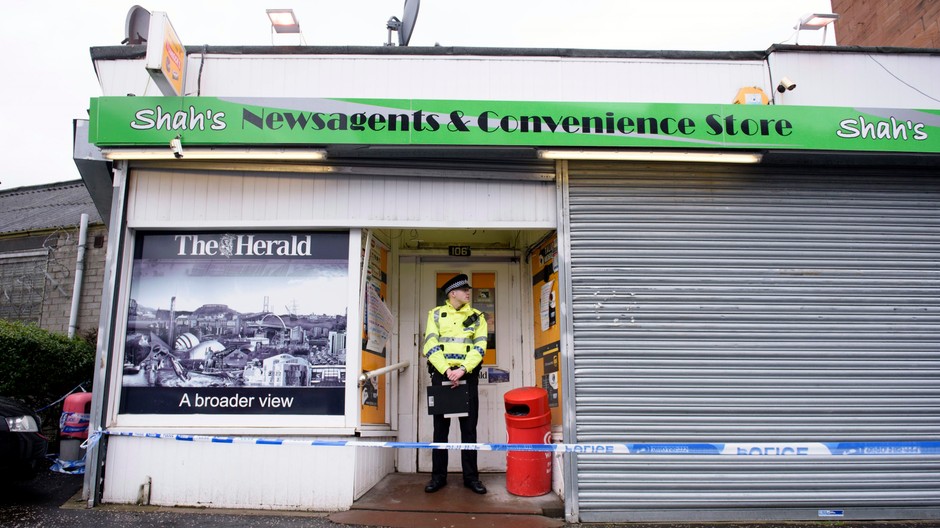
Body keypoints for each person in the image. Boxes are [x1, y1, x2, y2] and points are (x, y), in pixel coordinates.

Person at [422, 273, 488, 494]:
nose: (468, 292)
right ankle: (438, 477)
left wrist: (462, 370)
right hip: (443, 375)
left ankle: (471, 478)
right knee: (441, 429)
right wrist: (447, 370)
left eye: (468, 289)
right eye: (464, 290)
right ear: (453, 294)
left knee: (469, 429)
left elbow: (480, 348)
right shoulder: (436, 315)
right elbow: (430, 346)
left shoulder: (478, 316)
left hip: (466, 376)